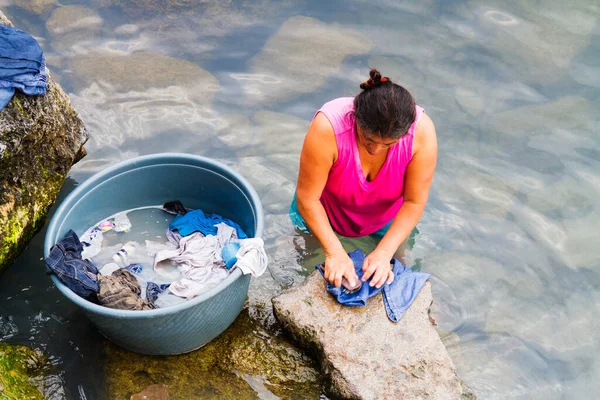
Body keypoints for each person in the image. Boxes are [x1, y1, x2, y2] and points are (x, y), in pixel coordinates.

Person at [290, 69, 437, 291]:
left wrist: (384, 252)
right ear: (355, 118)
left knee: (395, 275)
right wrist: (334, 252)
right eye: (368, 139)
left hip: (386, 218)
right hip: (325, 211)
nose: (376, 150)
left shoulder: (422, 133)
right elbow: (308, 198)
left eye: (388, 144)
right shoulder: (328, 127)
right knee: (308, 268)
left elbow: (414, 202)